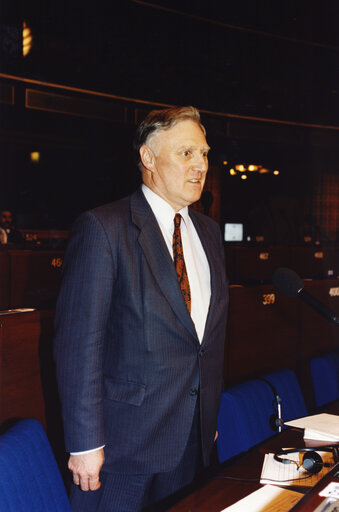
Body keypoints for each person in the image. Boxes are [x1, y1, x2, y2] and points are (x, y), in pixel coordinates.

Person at [54, 106, 229, 512]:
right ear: (148, 158)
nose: (200, 165)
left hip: (191, 442)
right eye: (186, 153)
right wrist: (85, 443)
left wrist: (207, 417)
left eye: (204, 153)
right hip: (121, 451)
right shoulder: (104, 228)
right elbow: (80, 345)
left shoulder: (208, 232)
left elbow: (204, 340)